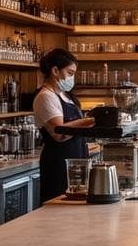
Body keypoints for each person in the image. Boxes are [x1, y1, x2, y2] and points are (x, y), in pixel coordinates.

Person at [33, 48, 95, 203]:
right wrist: (91, 120)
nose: (71, 79)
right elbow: (59, 134)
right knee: (58, 212)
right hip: (58, 165)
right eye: (70, 73)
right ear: (55, 70)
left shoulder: (65, 96)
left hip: (76, 162)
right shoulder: (45, 97)